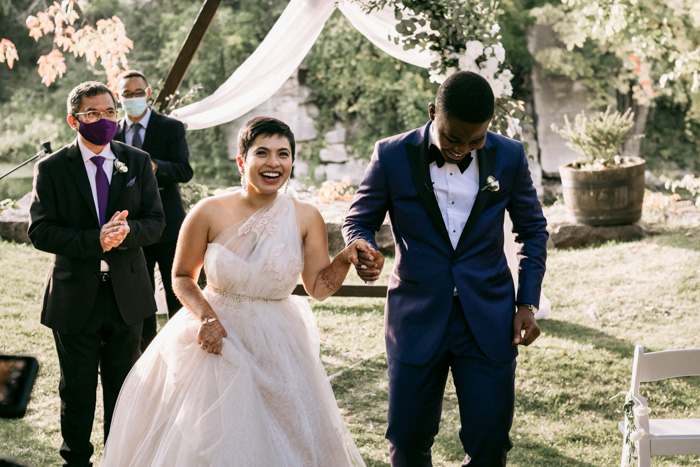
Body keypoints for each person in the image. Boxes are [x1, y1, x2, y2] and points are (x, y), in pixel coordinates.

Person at [101, 117, 368, 466]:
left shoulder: (306, 217)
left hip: (279, 342)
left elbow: (317, 287)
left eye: (283, 154)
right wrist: (206, 317)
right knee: (208, 441)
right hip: (216, 337)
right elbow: (182, 276)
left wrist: (345, 259)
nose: (274, 163)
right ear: (242, 161)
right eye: (263, 153)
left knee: (290, 438)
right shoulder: (208, 211)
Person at [342, 71, 548, 466]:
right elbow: (358, 218)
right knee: (407, 440)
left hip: (488, 317)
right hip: (415, 315)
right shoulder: (391, 154)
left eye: (476, 140)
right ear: (434, 111)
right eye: (453, 138)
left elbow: (533, 230)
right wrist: (361, 246)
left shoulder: (509, 156)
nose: (462, 148)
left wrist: (527, 303)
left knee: (490, 442)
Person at [28, 81, 165, 466]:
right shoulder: (52, 169)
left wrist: (126, 234)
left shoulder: (136, 161)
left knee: (126, 388)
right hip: (75, 296)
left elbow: (156, 221)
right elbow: (40, 231)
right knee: (78, 388)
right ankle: (77, 460)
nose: (103, 121)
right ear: (74, 120)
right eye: (93, 114)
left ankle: (119, 458)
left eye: (109, 113)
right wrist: (94, 240)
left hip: (128, 293)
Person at [114, 69, 193, 350]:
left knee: (178, 287)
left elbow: (185, 171)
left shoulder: (170, 127)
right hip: (132, 226)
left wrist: (155, 166)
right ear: (118, 97)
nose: (133, 98)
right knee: (139, 291)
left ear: (148, 94)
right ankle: (146, 350)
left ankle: (183, 345)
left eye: (138, 93)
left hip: (168, 222)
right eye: (127, 94)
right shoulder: (113, 131)